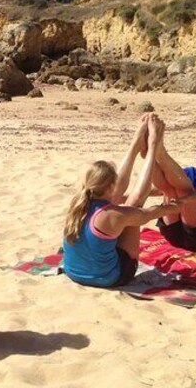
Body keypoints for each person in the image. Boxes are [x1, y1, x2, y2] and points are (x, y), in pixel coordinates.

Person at [62, 114, 180, 288]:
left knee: (119, 205)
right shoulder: (112, 215)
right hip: (108, 278)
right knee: (135, 204)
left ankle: (136, 142)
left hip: (73, 272)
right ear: (110, 186)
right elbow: (147, 211)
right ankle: (151, 147)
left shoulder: (77, 203)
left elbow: (114, 192)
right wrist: (153, 147)